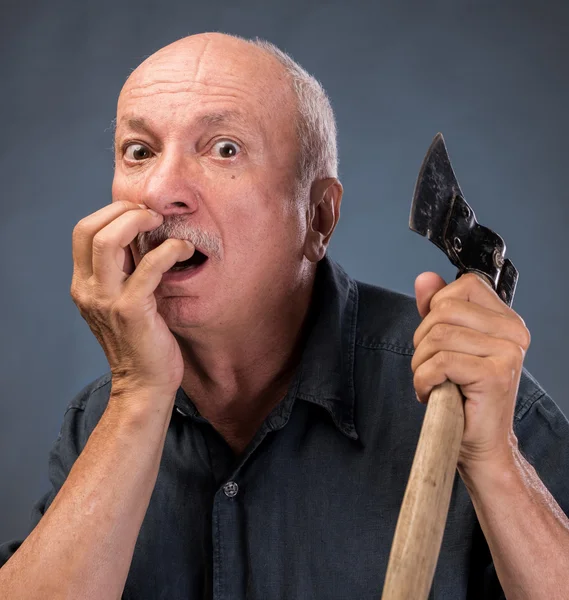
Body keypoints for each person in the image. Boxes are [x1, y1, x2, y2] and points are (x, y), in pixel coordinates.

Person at [0, 32, 568, 600]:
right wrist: (137, 397)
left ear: (319, 218)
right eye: (140, 151)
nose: (161, 190)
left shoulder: (471, 392)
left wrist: (495, 463)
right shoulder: (100, 418)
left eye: (224, 148)